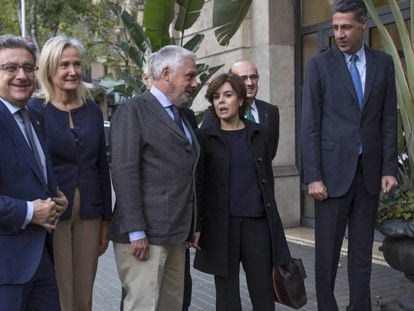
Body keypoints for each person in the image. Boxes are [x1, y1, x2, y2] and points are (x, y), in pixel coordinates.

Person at [301, 0, 398, 310]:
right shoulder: (319, 64)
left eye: (346, 27)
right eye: (335, 27)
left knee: (361, 254)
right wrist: (313, 176)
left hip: (368, 174)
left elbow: (387, 121)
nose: (339, 34)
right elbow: (310, 125)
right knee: (326, 254)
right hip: (330, 177)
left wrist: (388, 168)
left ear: (363, 25)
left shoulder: (383, 63)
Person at [108, 45, 200, 311]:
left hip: (175, 234)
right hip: (144, 238)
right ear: (168, 73)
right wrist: (136, 231)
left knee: (171, 305)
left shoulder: (181, 115)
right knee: (143, 306)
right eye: (190, 76)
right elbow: (125, 172)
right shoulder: (133, 110)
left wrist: (192, 224)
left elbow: (186, 173)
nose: (195, 83)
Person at [194, 73, 291, 311]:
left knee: (262, 293)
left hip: (256, 225)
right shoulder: (204, 137)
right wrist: (196, 226)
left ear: (241, 99)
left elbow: (266, 180)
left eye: (228, 95)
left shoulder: (259, 134)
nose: (221, 102)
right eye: (216, 97)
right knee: (226, 298)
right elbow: (199, 185)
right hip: (221, 227)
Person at [29, 35, 112, 311]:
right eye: (64, 64)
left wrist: (105, 220)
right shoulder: (34, 111)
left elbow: (102, 165)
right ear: (50, 69)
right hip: (54, 213)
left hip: (91, 210)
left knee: (84, 292)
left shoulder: (91, 111)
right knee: (60, 288)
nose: (73, 71)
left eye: (77, 64)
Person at [0, 34, 67, 310]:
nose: (22, 75)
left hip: (40, 260)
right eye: (10, 68)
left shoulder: (35, 116)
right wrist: (29, 211)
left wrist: (55, 200)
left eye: (28, 68)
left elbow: (32, 176)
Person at [201, 60, 279, 159]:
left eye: (253, 77)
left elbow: (270, 152)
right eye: (243, 78)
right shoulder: (215, 114)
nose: (250, 83)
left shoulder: (271, 111)